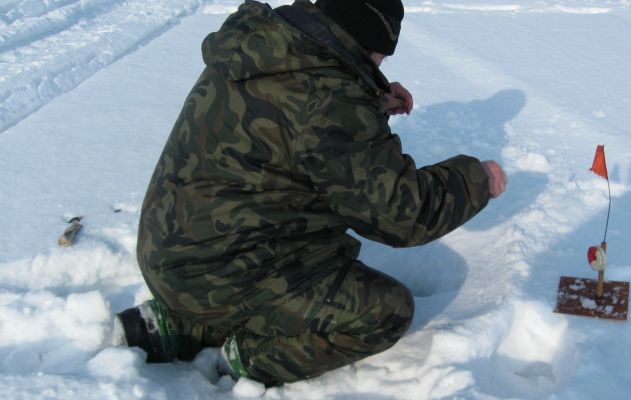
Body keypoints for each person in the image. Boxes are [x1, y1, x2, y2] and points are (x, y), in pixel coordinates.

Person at [114, 0, 507, 387]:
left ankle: (178, 322)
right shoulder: (330, 98)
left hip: (169, 249)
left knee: (316, 244)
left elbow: (300, 117)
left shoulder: (266, 45)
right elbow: (400, 215)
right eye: (378, 59)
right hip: (219, 271)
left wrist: (370, 97)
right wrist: (473, 179)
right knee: (384, 312)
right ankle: (244, 355)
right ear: (368, 43)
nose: (378, 67)